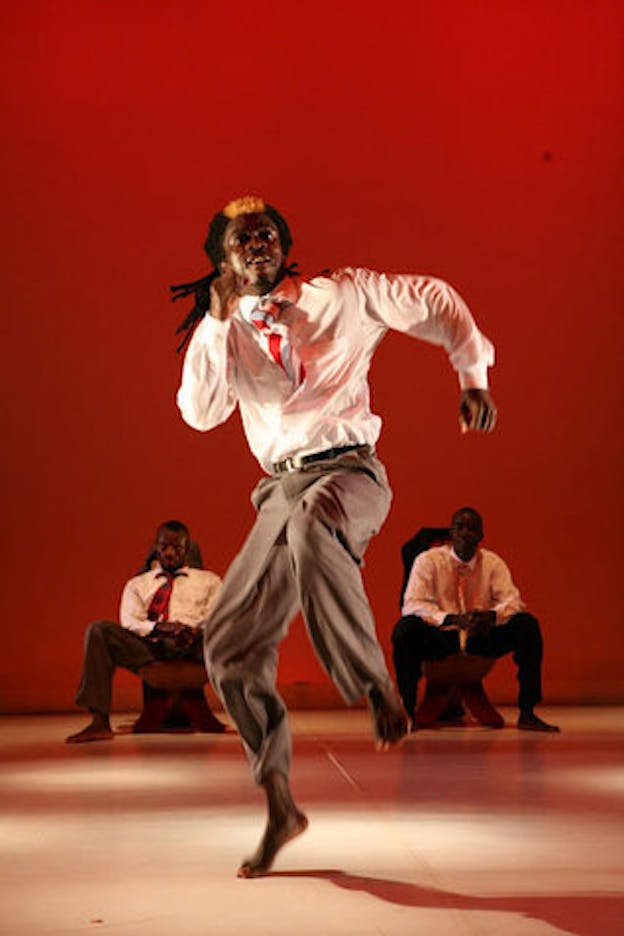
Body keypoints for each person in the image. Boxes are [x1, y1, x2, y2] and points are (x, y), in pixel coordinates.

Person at [174, 194, 498, 877]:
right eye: (241, 240)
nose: (256, 245)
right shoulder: (226, 326)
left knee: (317, 521)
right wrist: (214, 320)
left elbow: (433, 298)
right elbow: (201, 414)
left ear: (284, 244)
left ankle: (375, 685)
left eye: (266, 234)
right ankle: (281, 804)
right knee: (228, 647)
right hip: (278, 491)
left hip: (349, 473)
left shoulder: (343, 293)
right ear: (223, 260)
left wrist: (471, 375)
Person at [392, 506, 560, 733]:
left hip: (480, 636)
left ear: (481, 536)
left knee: (527, 625)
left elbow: (513, 601)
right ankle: (408, 711)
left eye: (472, 528)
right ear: (450, 534)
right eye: (459, 527)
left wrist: (491, 616)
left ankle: (528, 712)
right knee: (405, 629)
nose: (465, 533)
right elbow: (413, 604)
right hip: (443, 636)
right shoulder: (428, 560)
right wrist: (453, 618)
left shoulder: (492, 562)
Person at [66, 520, 222, 743]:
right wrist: (159, 627)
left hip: (196, 644)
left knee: (246, 626)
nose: (169, 553)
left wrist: (192, 629)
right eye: (163, 547)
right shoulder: (137, 584)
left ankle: (257, 718)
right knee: (98, 631)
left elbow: (219, 615)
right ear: (155, 547)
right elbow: (129, 620)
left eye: (176, 548)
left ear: (187, 550)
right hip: (152, 645)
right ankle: (99, 722)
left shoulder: (210, 581)